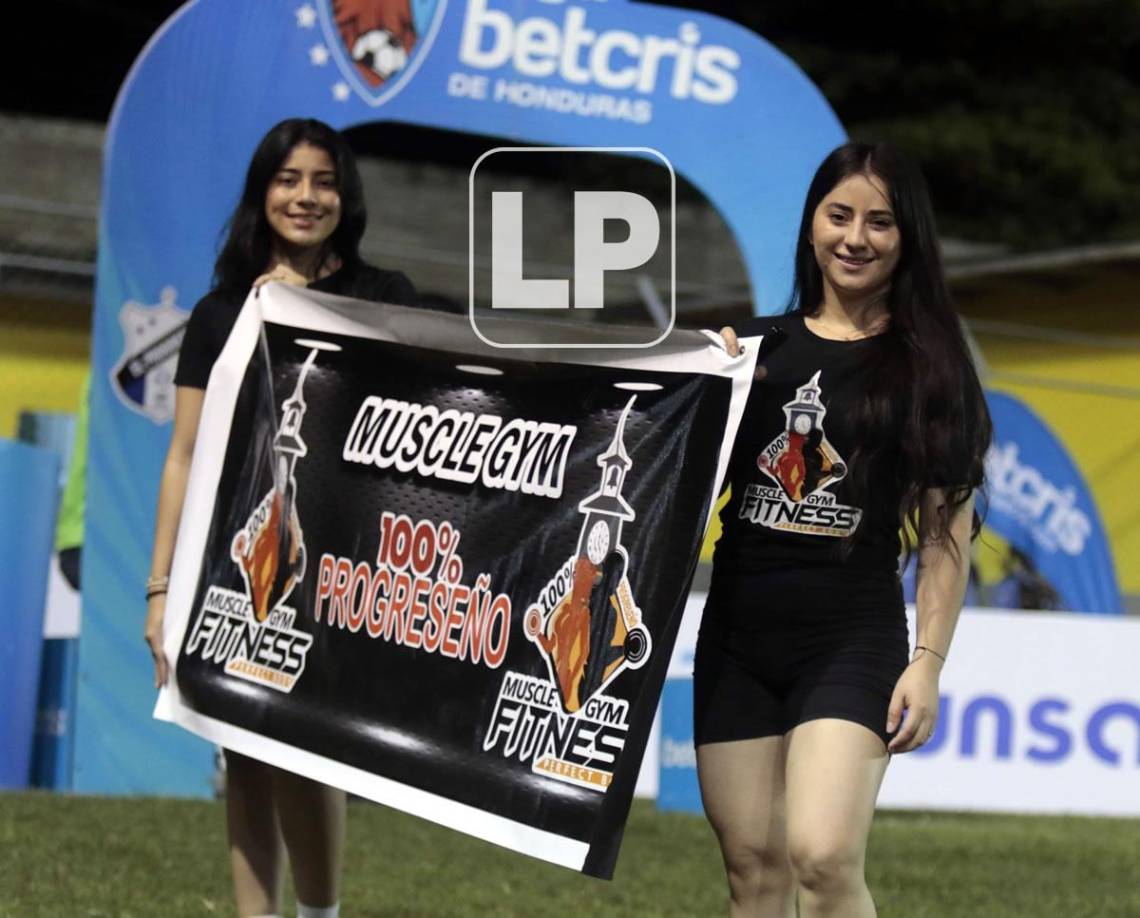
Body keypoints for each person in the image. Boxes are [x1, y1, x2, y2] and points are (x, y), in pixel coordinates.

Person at [702, 141, 990, 918]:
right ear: (811, 226)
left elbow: (944, 537)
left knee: (823, 858)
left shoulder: (931, 367)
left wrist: (927, 663)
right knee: (753, 873)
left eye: (880, 222)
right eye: (839, 216)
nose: (855, 238)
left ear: (908, 239)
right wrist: (703, 388)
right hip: (735, 636)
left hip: (849, 637)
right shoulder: (751, 352)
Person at [143, 117, 416, 918]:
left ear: (346, 195)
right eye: (288, 179)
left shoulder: (382, 296)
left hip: (337, 564)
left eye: (323, 181)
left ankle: (319, 914)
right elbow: (184, 456)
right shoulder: (219, 311)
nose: (305, 197)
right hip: (232, 557)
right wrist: (160, 590)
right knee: (243, 752)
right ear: (262, 193)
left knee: (307, 749)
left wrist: (308, 312)